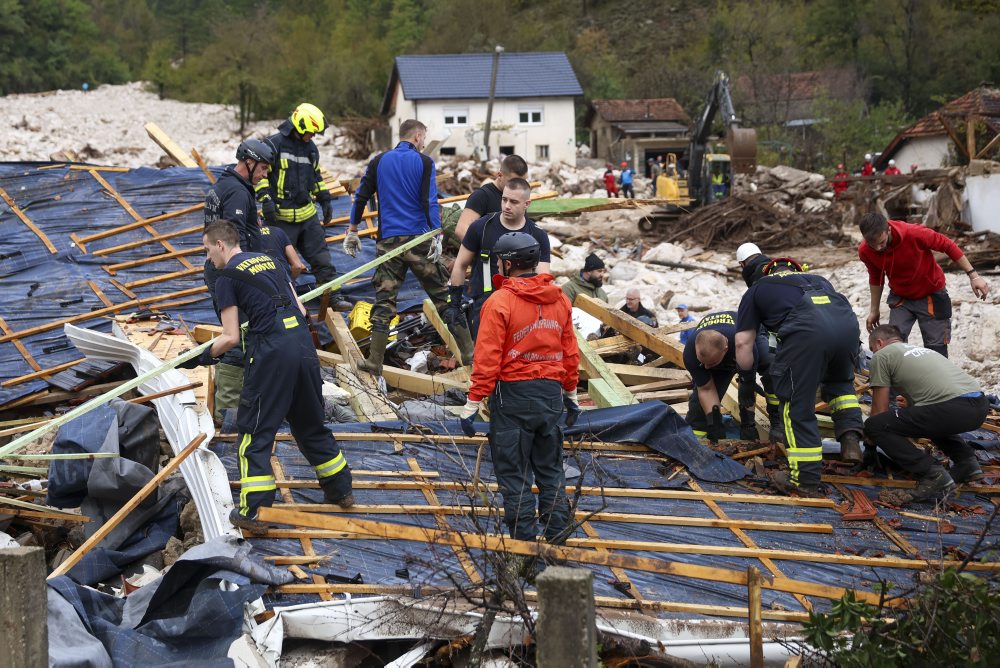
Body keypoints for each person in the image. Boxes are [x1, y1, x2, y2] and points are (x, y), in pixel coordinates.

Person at [181, 221, 353, 532]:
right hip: (303, 348)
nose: (208, 259)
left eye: (207, 250)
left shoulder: (226, 277)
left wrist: (199, 356)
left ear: (221, 245)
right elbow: (300, 308)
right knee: (310, 425)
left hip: (272, 354)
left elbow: (231, 337)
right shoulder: (271, 260)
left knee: (254, 433)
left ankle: (255, 512)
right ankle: (341, 489)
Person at [458, 232, 580, 543]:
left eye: (500, 260)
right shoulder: (560, 299)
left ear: (508, 264)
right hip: (551, 396)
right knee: (551, 471)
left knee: (515, 476)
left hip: (513, 398)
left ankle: (524, 551)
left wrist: (473, 403)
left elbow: (487, 358)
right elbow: (569, 351)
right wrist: (570, 394)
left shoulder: (500, 302)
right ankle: (557, 541)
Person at [344, 119, 474, 372]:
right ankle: (470, 354)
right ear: (416, 136)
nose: (424, 143)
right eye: (424, 138)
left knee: (384, 301)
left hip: (388, 244)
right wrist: (437, 234)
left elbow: (361, 195)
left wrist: (352, 229)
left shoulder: (379, 161)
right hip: (418, 241)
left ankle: (374, 361)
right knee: (443, 297)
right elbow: (429, 201)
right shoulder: (425, 163)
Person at [735, 258, 864, 495]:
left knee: (796, 405)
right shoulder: (820, 280)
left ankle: (804, 479)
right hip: (847, 328)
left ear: (767, 273)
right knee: (839, 384)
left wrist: (745, 378)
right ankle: (851, 439)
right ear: (796, 270)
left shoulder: (759, 288)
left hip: (807, 332)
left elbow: (743, 342)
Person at [865, 324, 987, 505]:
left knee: (875, 425)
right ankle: (966, 463)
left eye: (872, 349)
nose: (873, 353)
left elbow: (879, 412)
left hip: (952, 408)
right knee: (923, 416)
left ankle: (931, 473)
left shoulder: (882, 355)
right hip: (979, 405)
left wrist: (869, 446)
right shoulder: (921, 351)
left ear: (879, 342)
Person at [203, 139, 274, 422]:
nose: (265, 174)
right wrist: (252, 276)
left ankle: (238, 403)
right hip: (230, 275)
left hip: (225, 272)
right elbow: (233, 242)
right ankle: (228, 412)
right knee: (238, 334)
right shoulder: (236, 192)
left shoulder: (230, 187)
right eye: (264, 168)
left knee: (240, 334)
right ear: (249, 162)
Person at [858, 212, 989, 358]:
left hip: (931, 294)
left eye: (881, 242)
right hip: (901, 297)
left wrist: (974, 276)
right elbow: (876, 277)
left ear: (888, 229)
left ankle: (938, 379)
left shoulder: (914, 233)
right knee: (892, 346)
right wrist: (874, 310)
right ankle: (899, 378)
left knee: (936, 349)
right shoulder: (865, 250)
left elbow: (948, 245)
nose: (877, 249)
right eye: (872, 245)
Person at [259, 102, 349, 309]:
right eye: (311, 132)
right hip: (280, 218)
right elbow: (261, 175)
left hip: (307, 215)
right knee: (277, 264)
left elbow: (315, 175)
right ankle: (279, 302)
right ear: (299, 127)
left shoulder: (311, 149)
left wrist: (324, 198)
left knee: (322, 258)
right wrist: (266, 201)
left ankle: (332, 295)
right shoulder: (273, 145)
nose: (313, 136)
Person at [448, 178, 551, 341]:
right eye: (504, 199)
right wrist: (454, 302)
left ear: (527, 204)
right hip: (485, 307)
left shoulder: (538, 235)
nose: (507, 206)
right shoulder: (481, 227)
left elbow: (543, 279)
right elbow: (460, 264)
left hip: (522, 311)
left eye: (514, 202)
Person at [683, 311, 779, 443]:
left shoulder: (743, 345)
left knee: (771, 368)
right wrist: (714, 422)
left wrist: (748, 424)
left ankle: (777, 419)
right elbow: (706, 389)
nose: (706, 367)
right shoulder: (690, 355)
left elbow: (747, 386)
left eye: (711, 363)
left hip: (751, 337)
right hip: (727, 350)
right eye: (703, 363)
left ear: (725, 349)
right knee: (698, 408)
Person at [454, 154, 529, 242]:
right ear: (500, 175)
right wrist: (485, 251)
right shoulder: (482, 196)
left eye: (522, 182)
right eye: (514, 182)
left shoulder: (519, 197)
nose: (519, 187)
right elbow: (462, 230)